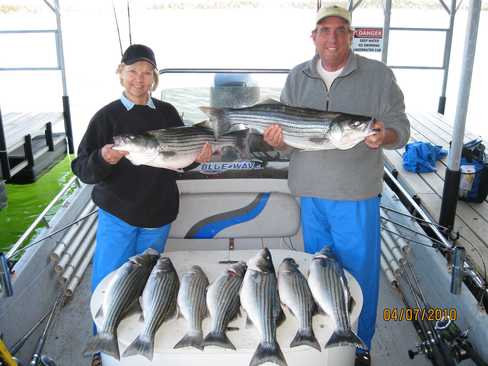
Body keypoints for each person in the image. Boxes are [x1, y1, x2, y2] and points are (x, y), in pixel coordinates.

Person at [263, 5, 410, 365]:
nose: (332, 38)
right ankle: (331, 333)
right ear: (313, 37)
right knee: (321, 272)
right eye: (324, 30)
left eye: (340, 30)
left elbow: (400, 129)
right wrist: (275, 139)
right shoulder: (298, 77)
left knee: (360, 274)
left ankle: (360, 344)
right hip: (310, 193)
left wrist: (382, 135)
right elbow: (287, 138)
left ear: (351, 35)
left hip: (354, 193)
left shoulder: (378, 76)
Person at [71, 44, 211, 365]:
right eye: (133, 71)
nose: (139, 79)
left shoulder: (167, 113)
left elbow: (180, 162)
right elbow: (82, 169)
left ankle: (140, 340)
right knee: (107, 281)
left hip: (158, 214)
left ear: (155, 78)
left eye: (147, 73)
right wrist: (102, 158)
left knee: (149, 283)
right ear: (120, 73)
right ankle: (100, 347)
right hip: (117, 214)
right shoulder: (106, 117)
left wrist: (197, 159)